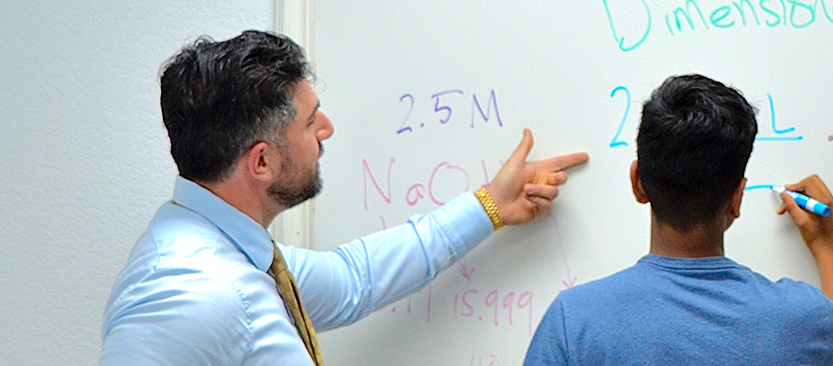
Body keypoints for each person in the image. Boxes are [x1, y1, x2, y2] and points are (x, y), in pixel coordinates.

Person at [99, 30, 589, 366]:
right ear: (262, 163)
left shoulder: (236, 254)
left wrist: (490, 206)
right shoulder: (187, 291)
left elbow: (356, 279)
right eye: (311, 122)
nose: (328, 129)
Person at [522, 74, 833, 366]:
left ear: (637, 183)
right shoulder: (802, 316)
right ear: (737, 198)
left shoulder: (575, 320)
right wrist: (827, 250)